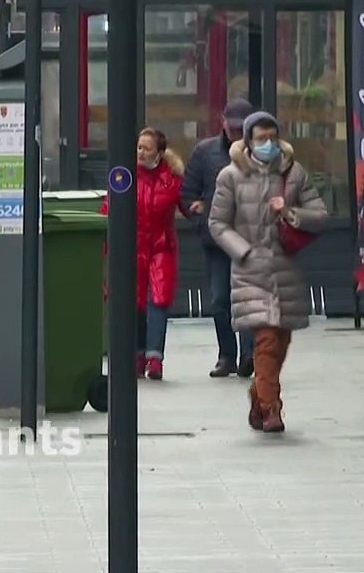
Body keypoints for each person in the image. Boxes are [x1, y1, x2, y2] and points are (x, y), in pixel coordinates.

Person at [208, 111, 327, 433]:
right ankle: (272, 410)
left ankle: (257, 395)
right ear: (248, 141)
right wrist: (242, 251)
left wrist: (288, 212)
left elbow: (319, 214)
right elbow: (217, 223)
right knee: (266, 342)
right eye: (261, 138)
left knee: (281, 343)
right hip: (250, 273)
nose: (269, 144)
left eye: (273, 137)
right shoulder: (230, 177)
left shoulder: (293, 173)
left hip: (284, 269)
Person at [100, 127, 186, 380]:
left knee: (159, 299)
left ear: (160, 153)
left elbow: (188, 203)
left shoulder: (172, 179)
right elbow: (109, 206)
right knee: (134, 301)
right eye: (139, 146)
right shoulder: (124, 176)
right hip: (132, 246)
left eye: (146, 148)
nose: (140, 152)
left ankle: (154, 357)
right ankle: (137, 354)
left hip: (161, 246)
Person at [181, 98, 257, 379]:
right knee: (219, 300)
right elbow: (187, 193)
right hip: (217, 240)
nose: (235, 133)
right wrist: (201, 221)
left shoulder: (260, 152)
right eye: (232, 127)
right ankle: (227, 355)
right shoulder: (205, 152)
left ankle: (249, 354)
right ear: (222, 121)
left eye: (241, 128)